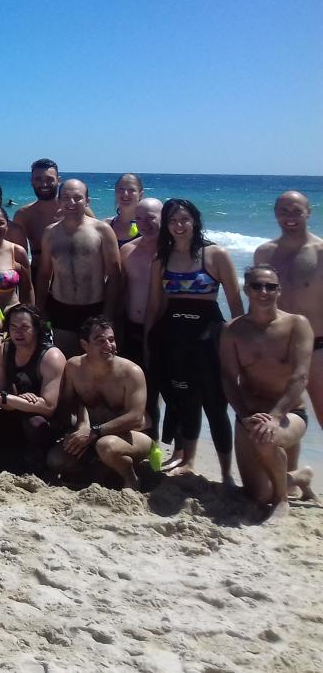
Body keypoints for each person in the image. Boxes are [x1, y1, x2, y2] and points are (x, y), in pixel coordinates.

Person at [144, 198, 243, 481]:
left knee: (215, 403)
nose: (179, 225)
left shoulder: (216, 255)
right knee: (183, 400)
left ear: (195, 221)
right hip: (171, 335)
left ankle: (226, 474)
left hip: (208, 333)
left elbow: (236, 305)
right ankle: (188, 460)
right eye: (173, 220)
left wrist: (238, 345)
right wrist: (148, 345)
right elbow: (154, 307)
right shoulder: (161, 259)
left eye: (184, 219)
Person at [220, 265, 315, 521]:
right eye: (257, 286)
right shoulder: (232, 330)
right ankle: (299, 477)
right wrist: (243, 415)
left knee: (266, 439)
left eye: (271, 286)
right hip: (249, 416)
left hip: (289, 414)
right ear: (246, 289)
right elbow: (229, 379)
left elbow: (300, 378)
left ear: (279, 290)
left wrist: (274, 417)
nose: (264, 291)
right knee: (259, 494)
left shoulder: (297, 324)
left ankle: (282, 500)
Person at [47, 317, 152, 490]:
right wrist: (81, 426)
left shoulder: (131, 372)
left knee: (107, 446)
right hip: (91, 433)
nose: (108, 345)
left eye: (111, 340)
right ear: (84, 345)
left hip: (132, 435)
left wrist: (94, 432)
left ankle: (131, 479)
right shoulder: (74, 367)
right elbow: (68, 406)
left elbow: (135, 418)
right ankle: (100, 473)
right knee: (56, 460)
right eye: (100, 341)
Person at [254, 191, 323, 435]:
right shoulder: (264, 253)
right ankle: (290, 473)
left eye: (296, 211)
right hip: (277, 347)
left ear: (309, 212)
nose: (290, 217)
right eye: (283, 211)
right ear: (275, 214)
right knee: (283, 418)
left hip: (317, 347)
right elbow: (257, 301)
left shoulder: (320, 251)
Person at [0, 304, 66, 469]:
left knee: (35, 424)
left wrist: (7, 397)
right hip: (15, 407)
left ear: (36, 329)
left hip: (46, 418)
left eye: (25, 327)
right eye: (13, 327)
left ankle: (39, 459)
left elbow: (48, 407)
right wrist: (13, 398)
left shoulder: (52, 357)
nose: (18, 332)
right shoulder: (3, 350)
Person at [35, 180, 120, 357]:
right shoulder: (50, 233)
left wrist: (108, 314)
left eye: (77, 198)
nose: (71, 203)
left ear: (87, 201)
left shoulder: (102, 230)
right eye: (66, 198)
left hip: (94, 309)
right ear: (59, 201)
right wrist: (40, 309)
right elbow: (44, 274)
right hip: (60, 309)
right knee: (65, 363)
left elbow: (115, 275)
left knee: (97, 365)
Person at [118, 197, 164, 436]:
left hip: (163, 331)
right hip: (131, 328)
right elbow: (120, 291)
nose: (145, 223)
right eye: (140, 218)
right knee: (136, 389)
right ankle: (139, 441)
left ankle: (163, 446)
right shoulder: (127, 250)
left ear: (163, 218)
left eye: (151, 218)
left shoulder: (173, 253)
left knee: (164, 390)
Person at [13, 159, 62, 262]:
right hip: (36, 273)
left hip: (72, 276)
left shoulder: (74, 210)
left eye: (49, 179)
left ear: (58, 180)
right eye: (38, 179)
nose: (44, 184)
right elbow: (17, 256)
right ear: (32, 181)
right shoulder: (23, 215)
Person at [107, 173, 144, 247]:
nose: (125, 194)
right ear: (115, 192)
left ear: (140, 194)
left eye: (131, 190)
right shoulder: (106, 226)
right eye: (121, 189)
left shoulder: (147, 227)